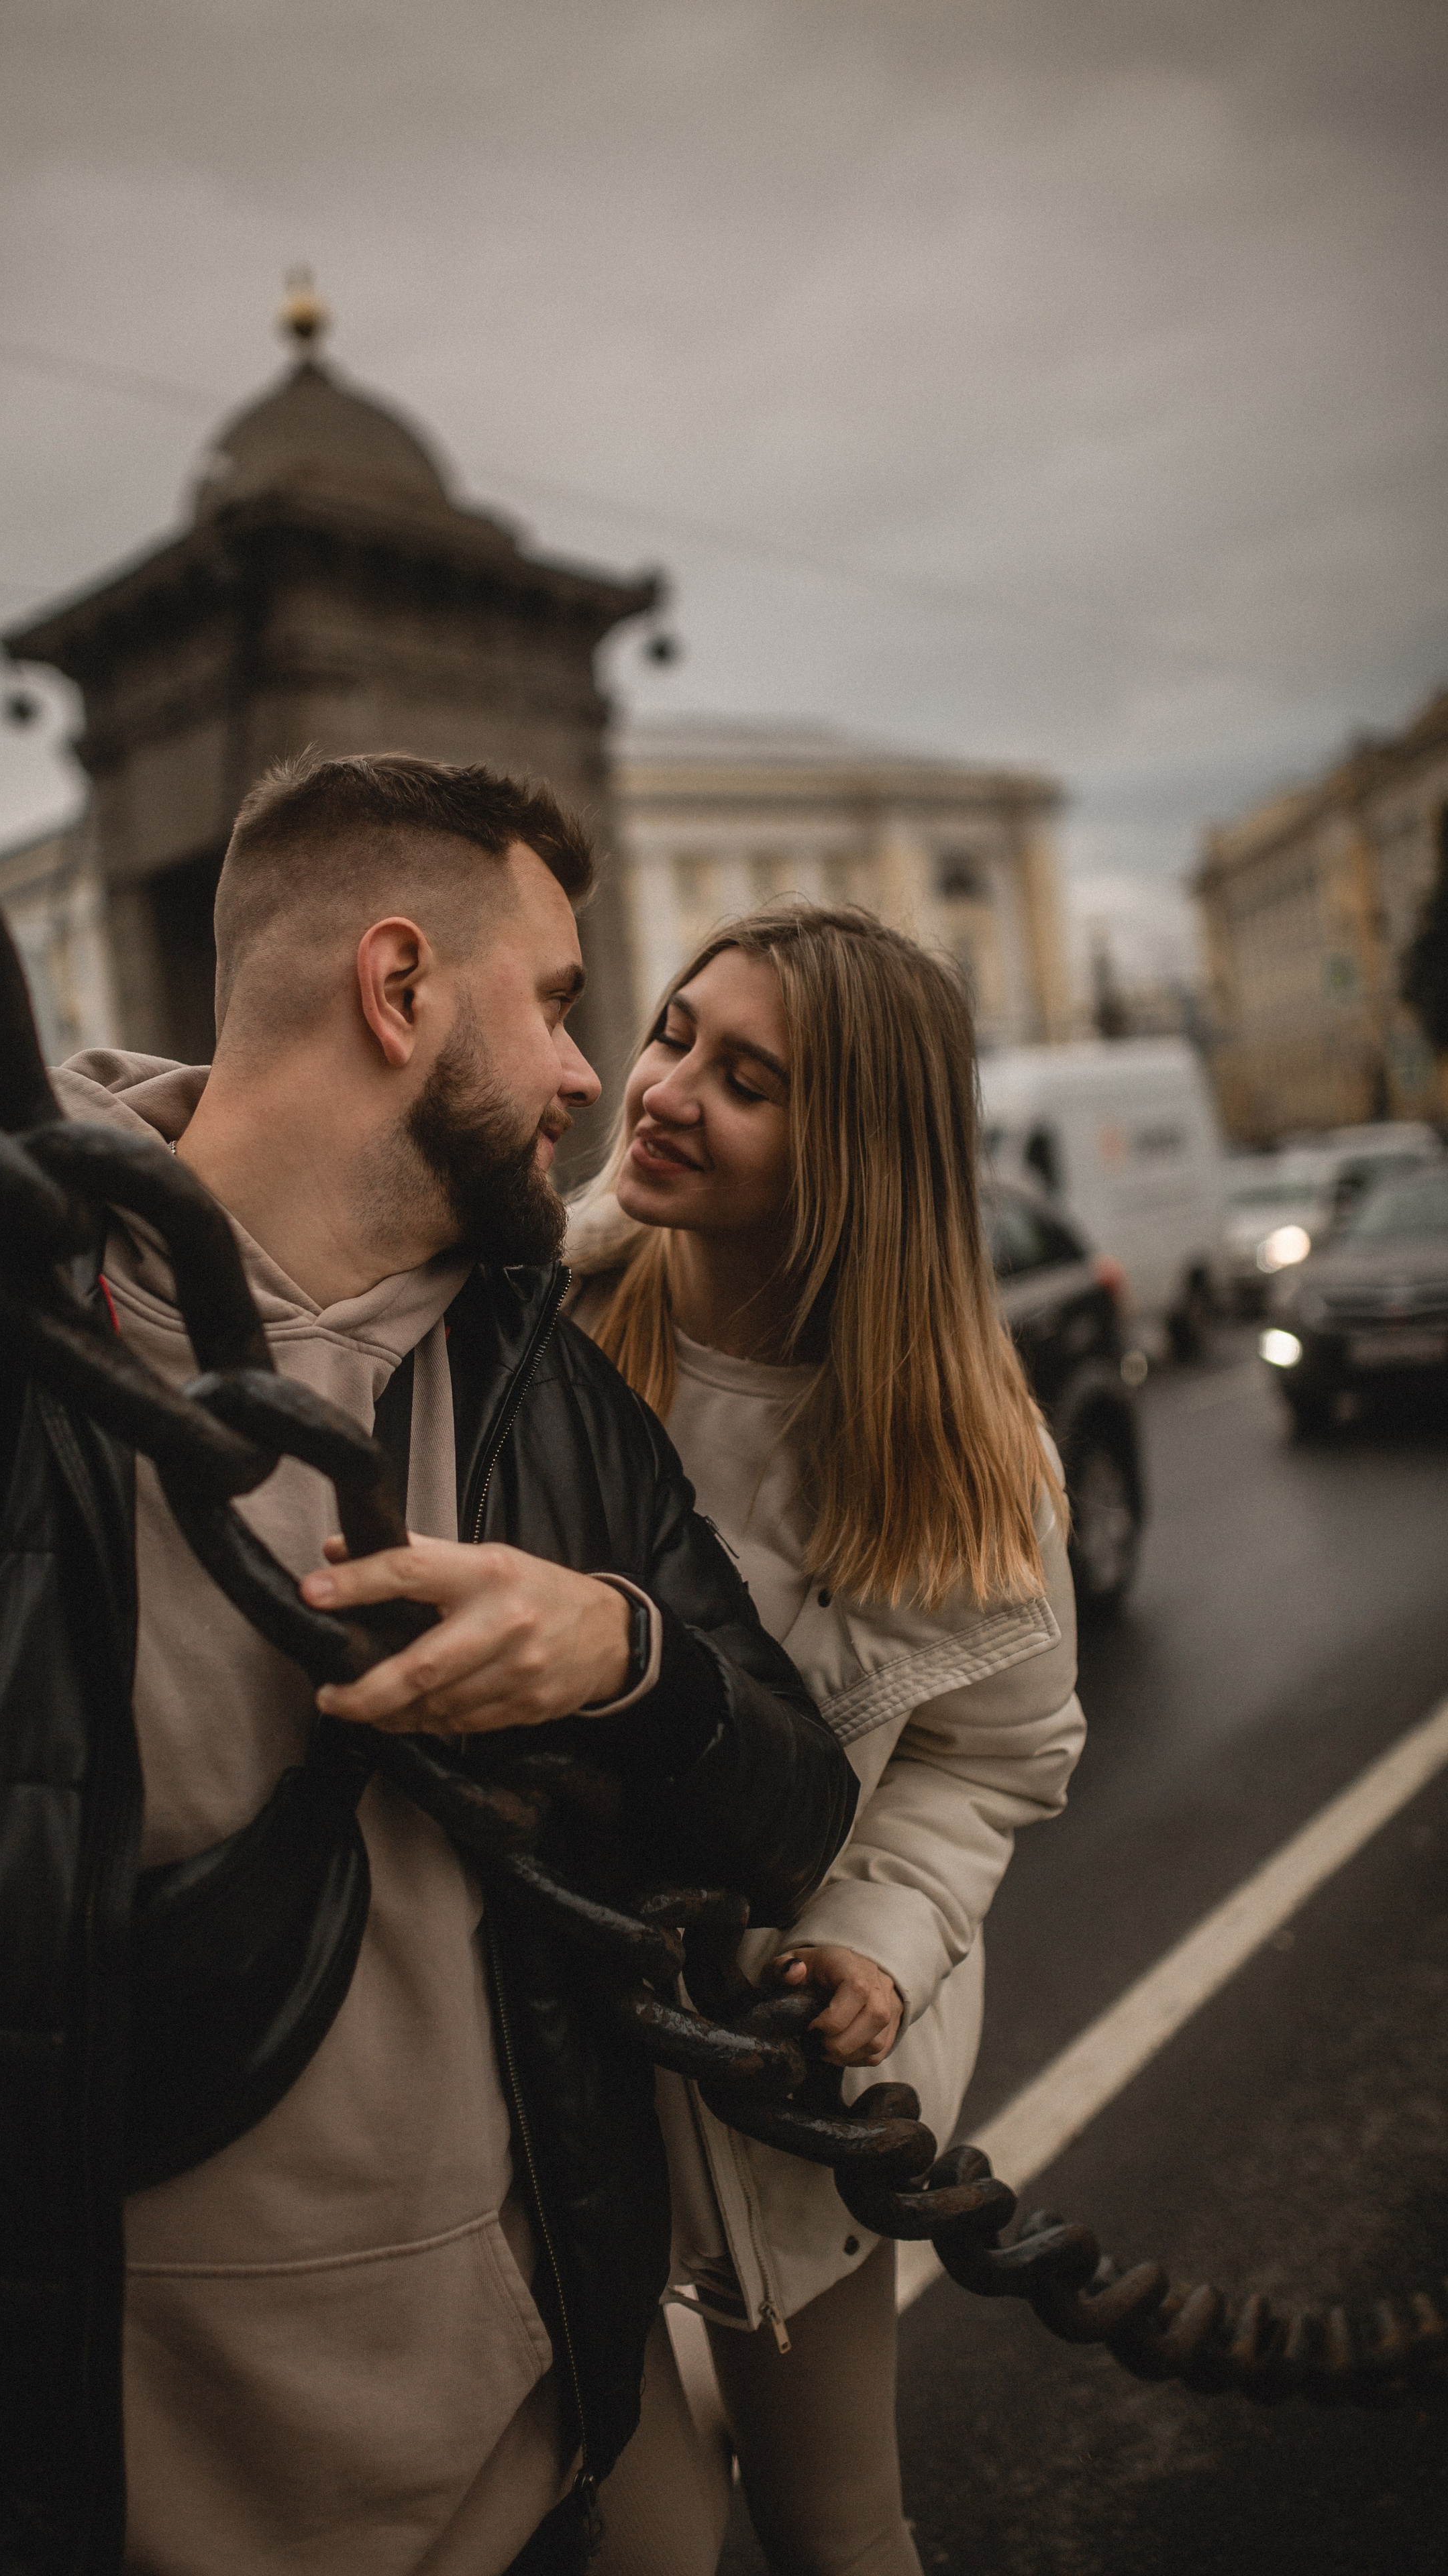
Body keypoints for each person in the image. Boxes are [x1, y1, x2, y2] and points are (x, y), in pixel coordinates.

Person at [0, 759, 857, 2576]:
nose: (592, 1077)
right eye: (560, 1003)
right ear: (399, 990)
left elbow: (792, 1805)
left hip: (516, 2493)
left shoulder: (549, 1394)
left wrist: (628, 1659)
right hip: (61, 2509)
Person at [568, 902, 1086, 2576]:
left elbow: (987, 1759)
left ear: (855, 1145)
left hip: (778, 2071)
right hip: (535, 2042)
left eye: (747, 1077)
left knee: (831, 2519)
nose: (662, 1087)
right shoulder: (550, 1313)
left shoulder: (960, 1455)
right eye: (669, 1034)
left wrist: (874, 1938)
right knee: (636, 2534)